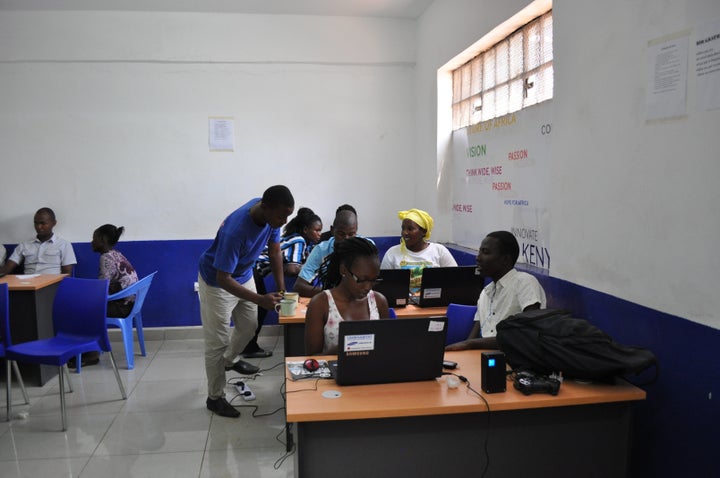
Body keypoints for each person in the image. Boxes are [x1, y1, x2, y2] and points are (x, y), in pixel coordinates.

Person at [198, 185, 294, 418]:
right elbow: (223, 278)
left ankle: (230, 360)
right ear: (265, 206)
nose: (284, 221)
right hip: (217, 282)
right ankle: (215, 397)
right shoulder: (236, 231)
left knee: (249, 326)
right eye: (281, 217)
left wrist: (281, 289)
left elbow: (275, 252)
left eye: (287, 216)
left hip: (243, 274)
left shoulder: (271, 218)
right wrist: (261, 299)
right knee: (217, 342)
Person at [242, 207, 322, 358]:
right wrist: (307, 269)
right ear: (305, 230)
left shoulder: (305, 242)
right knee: (260, 308)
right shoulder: (299, 240)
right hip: (253, 269)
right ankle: (248, 347)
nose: (319, 234)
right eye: (316, 230)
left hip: (256, 270)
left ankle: (248, 345)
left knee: (260, 309)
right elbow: (292, 269)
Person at [446, 231, 546, 351]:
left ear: (505, 259)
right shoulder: (485, 293)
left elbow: (527, 335)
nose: (478, 258)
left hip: (514, 359)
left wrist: (470, 344)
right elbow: (473, 336)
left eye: (486, 252)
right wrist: (464, 349)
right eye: (479, 252)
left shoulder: (524, 283)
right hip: (483, 357)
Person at [305, 237, 390, 355]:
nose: (368, 287)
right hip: (336, 371)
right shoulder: (320, 304)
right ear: (343, 270)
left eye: (373, 280)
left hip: (372, 370)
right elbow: (312, 358)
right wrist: (344, 349)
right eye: (361, 280)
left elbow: (386, 348)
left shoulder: (379, 301)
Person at [70, 224, 139, 368]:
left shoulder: (105, 259)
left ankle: (91, 353)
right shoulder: (116, 254)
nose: (91, 242)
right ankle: (88, 349)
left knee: (83, 311)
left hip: (122, 306)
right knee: (87, 306)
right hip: (131, 303)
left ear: (102, 240)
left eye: (94, 239)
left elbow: (102, 289)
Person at [294, 208, 368, 297]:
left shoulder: (366, 248)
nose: (346, 239)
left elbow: (375, 284)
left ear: (356, 231)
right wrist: (333, 293)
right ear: (332, 230)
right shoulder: (321, 250)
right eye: (341, 234)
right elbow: (299, 287)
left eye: (351, 234)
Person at [380, 208, 457, 294]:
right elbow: (383, 285)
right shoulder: (392, 253)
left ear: (424, 231)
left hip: (433, 304)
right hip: (402, 305)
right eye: (403, 228)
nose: (404, 233)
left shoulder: (439, 251)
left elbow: (454, 279)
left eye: (410, 229)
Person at [1, 207, 77, 275]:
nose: (38, 227)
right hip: (27, 285)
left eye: (43, 223)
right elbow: (6, 269)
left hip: (52, 286)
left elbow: (67, 275)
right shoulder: (24, 245)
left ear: (54, 223)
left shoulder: (63, 245)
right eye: (36, 223)